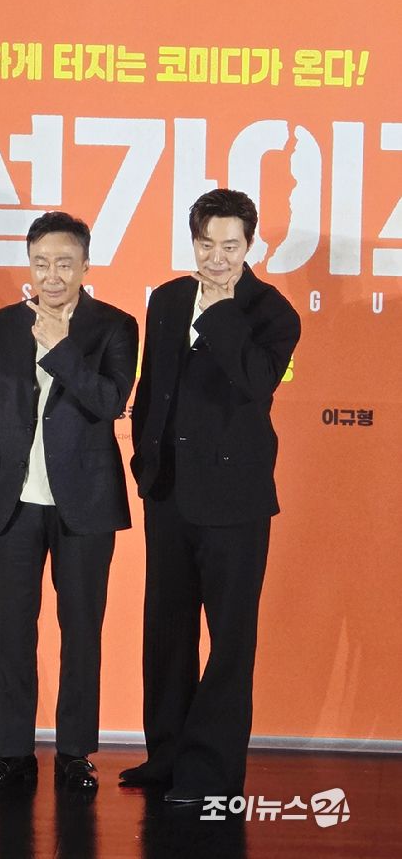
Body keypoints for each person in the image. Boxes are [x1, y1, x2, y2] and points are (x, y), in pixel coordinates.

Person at [119, 189, 300, 803]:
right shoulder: (168, 299)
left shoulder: (274, 313)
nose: (216, 258)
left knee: (229, 643)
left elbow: (255, 382)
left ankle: (210, 773)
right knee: (166, 630)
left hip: (235, 501)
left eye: (230, 246)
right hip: (168, 492)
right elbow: (152, 388)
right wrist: (145, 461)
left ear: (250, 246)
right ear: (192, 242)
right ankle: (166, 756)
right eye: (205, 245)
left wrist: (221, 311)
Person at [0, 211, 138, 794]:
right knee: (13, 632)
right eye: (41, 263)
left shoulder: (115, 326)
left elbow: (109, 401)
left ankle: (73, 754)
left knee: (81, 629)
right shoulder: (1, 325)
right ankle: (13, 753)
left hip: (85, 502)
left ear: (86, 265)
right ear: (29, 265)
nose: (52, 275)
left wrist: (61, 348)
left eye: (64, 263)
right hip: (13, 502)